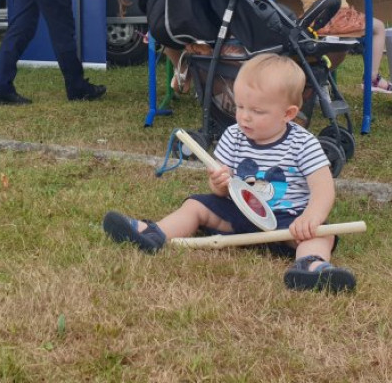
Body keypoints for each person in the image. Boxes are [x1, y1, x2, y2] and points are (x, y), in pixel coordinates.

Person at [102, 53, 356, 293]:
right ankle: (154, 233)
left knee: (323, 233)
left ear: (288, 114)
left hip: (288, 222)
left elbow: (323, 187)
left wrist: (311, 217)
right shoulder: (233, 135)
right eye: (241, 106)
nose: (245, 117)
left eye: (257, 111)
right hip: (241, 214)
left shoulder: (304, 143)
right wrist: (219, 185)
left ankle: (311, 266)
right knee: (195, 205)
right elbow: (221, 189)